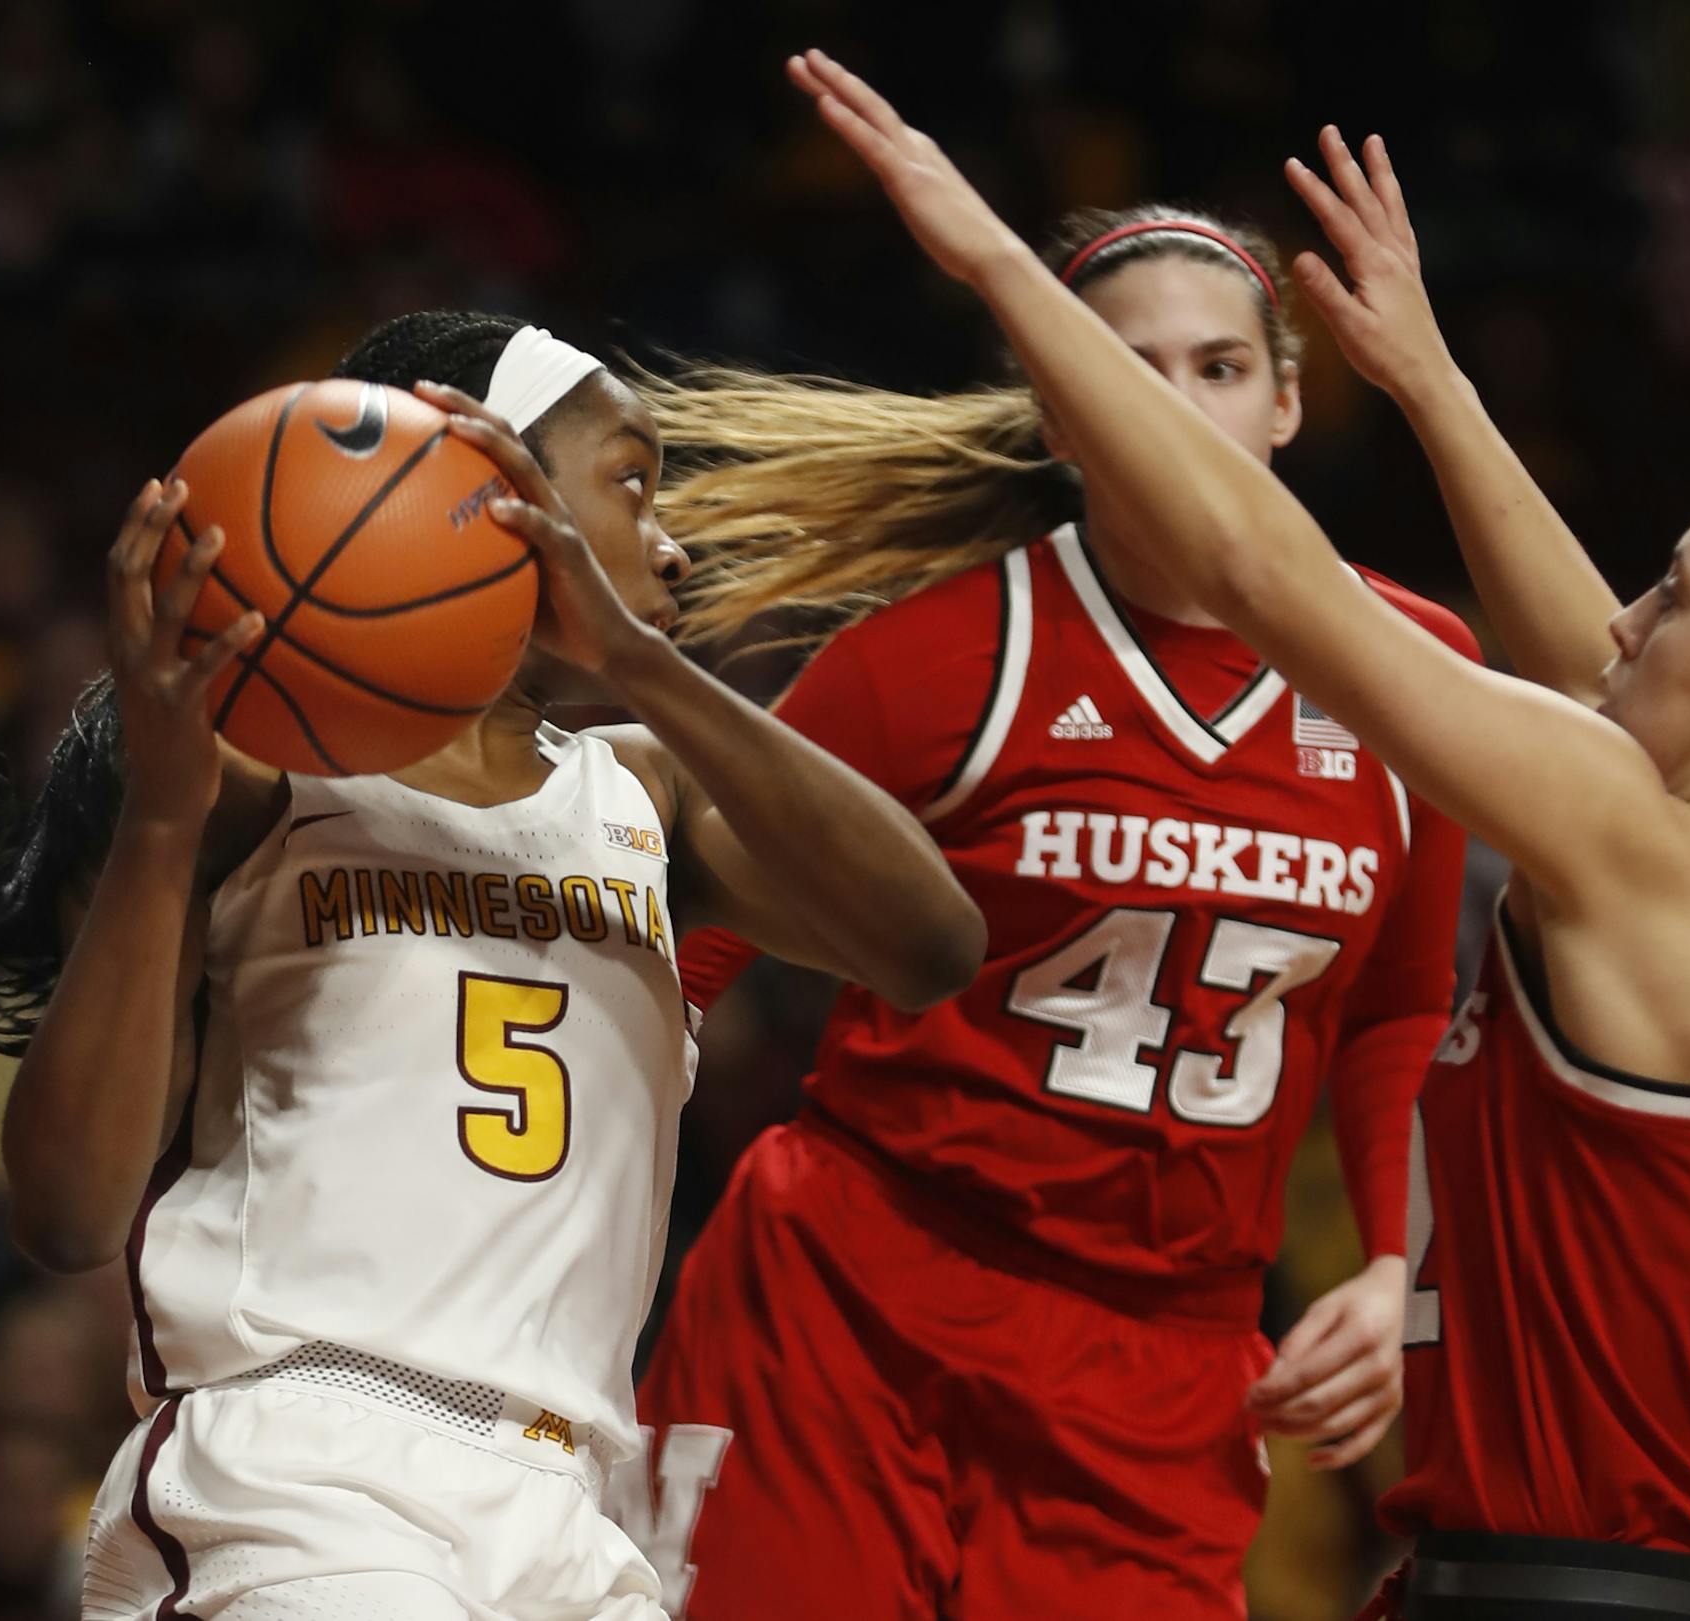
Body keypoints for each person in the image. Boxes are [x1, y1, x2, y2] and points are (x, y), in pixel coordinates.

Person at [781, 48, 1690, 1620]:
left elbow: (1262, 569)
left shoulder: (1654, 857)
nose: (1624, 616)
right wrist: (1436, 385)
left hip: (1552, 1588)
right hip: (1605, 1579)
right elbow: (1599, 671)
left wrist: (989, 255)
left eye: (1674, 588)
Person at [0, 310, 985, 1621]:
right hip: (302, 1467)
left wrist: (645, 669)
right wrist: (155, 818)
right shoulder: (255, 769)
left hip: (569, 1504)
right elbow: (71, 1212)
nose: (670, 538)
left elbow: (934, 945)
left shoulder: (645, 798)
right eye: (634, 479)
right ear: (486, 488)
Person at [632, 123, 1475, 1621]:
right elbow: (691, 939)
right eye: (1131, 370)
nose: (1180, 404)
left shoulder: (1419, 673)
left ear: (1287, 401)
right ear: (1065, 418)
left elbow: (1404, 1002)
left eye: (1219, 367)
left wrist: (1392, 1258)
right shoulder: (937, 653)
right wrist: (570, 1212)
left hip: (1165, 1351)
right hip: (860, 1289)